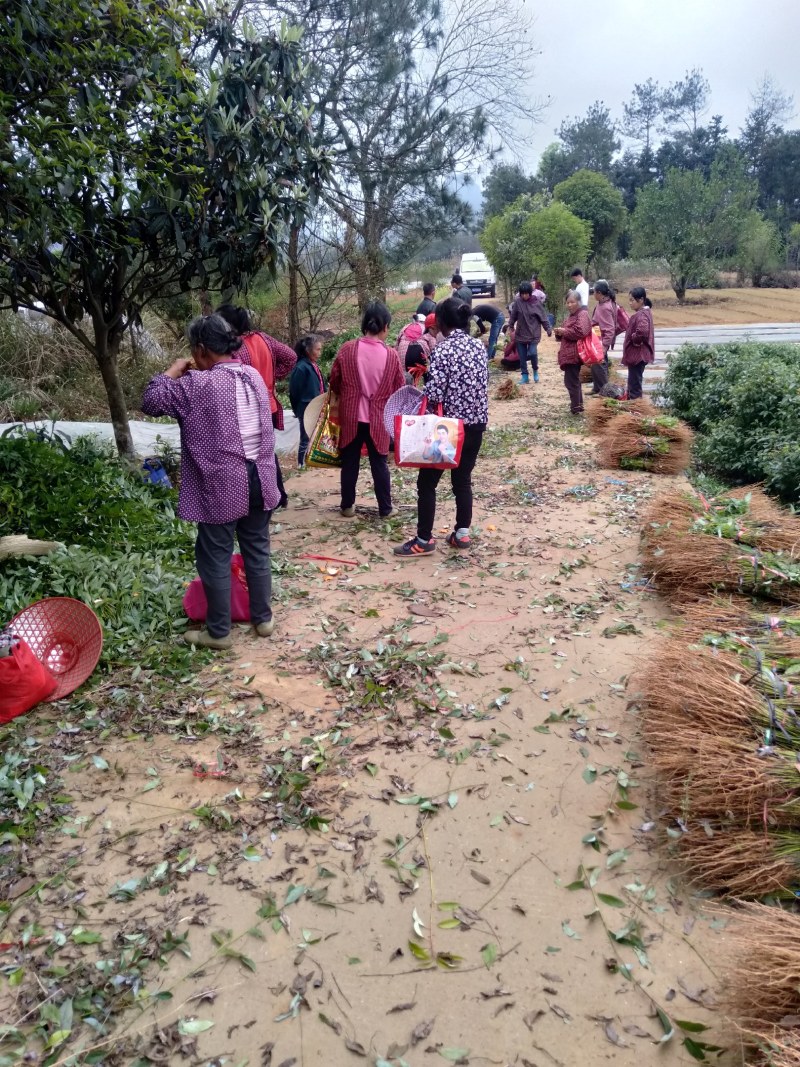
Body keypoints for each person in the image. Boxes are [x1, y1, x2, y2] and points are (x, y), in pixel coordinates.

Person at [141, 315, 279, 650]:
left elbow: (152, 401)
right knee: (256, 548)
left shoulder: (197, 385)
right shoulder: (254, 377)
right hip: (262, 476)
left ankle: (218, 632)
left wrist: (173, 371)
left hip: (223, 484)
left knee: (214, 554)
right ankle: (263, 618)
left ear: (201, 350)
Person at [394, 298, 488, 557]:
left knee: (427, 483)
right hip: (476, 425)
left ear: (443, 322)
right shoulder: (479, 347)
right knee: (462, 480)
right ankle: (462, 534)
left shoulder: (443, 350)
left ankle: (424, 540)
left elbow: (434, 394)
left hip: (448, 428)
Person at [216, 305, 296, 509]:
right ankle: (280, 496)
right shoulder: (264, 339)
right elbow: (291, 357)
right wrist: (271, 379)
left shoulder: (233, 349)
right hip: (268, 403)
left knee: (251, 456)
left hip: (249, 408)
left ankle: (255, 499)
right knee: (267, 452)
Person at [329, 302, 404, 519]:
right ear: (386, 327)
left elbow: (334, 380)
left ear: (364, 325)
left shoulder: (347, 349)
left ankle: (347, 506)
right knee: (379, 463)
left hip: (351, 415)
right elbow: (399, 388)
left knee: (350, 463)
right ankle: (385, 508)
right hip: (378, 418)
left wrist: (347, 393)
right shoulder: (391, 355)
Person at [289, 335, 325, 467]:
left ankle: (313, 459)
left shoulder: (313, 366)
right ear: (308, 350)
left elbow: (321, 385)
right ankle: (301, 463)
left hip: (316, 406)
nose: (319, 353)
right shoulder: (301, 368)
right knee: (306, 435)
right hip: (306, 407)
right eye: (317, 349)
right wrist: (297, 410)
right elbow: (294, 392)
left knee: (314, 434)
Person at [554, 290, 592, 415]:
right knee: (573, 381)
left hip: (575, 354)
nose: (569, 305)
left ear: (579, 302)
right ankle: (578, 406)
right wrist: (559, 333)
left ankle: (576, 407)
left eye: (572, 302)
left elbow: (581, 331)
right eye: (567, 302)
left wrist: (564, 331)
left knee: (571, 381)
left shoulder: (582, 314)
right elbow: (567, 333)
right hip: (569, 353)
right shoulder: (572, 316)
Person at [508, 281, 552, 384]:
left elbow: (543, 317)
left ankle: (535, 370)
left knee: (532, 353)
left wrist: (548, 329)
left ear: (530, 293)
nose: (524, 296)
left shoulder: (536, 303)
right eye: (522, 294)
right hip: (521, 333)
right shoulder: (518, 303)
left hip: (534, 333)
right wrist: (510, 326)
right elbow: (513, 315)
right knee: (522, 357)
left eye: (526, 293)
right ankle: (525, 376)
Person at [622, 287, 655, 399]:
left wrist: (634, 338)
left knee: (635, 386)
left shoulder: (642, 315)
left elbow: (642, 331)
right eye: (629, 300)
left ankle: (636, 411)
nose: (630, 303)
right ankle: (633, 408)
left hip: (638, 356)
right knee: (633, 383)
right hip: (637, 356)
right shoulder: (644, 313)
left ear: (641, 300)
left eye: (632, 300)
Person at [589, 280, 617, 395]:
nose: (593, 294)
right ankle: (597, 388)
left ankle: (606, 392)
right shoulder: (601, 304)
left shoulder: (605, 307)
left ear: (599, 293)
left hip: (602, 342)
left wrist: (604, 346)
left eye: (594, 292)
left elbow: (610, 329)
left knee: (600, 367)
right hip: (597, 339)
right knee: (595, 365)